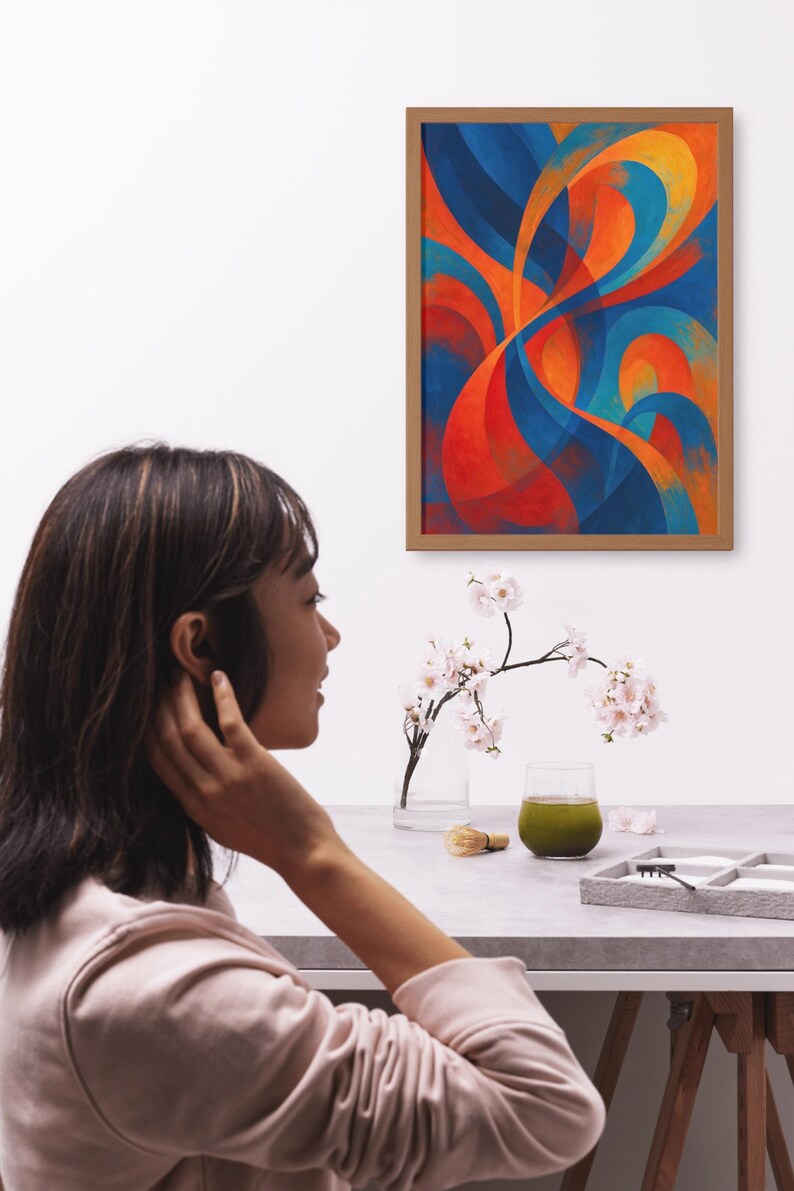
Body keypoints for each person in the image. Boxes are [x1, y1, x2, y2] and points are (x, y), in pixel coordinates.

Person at [0, 442, 606, 1190]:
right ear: (200, 643)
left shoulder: (85, 893)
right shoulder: (146, 989)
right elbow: (545, 1106)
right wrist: (312, 851)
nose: (331, 634)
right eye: (310, 599)